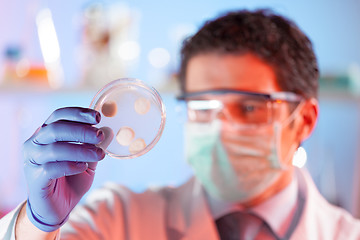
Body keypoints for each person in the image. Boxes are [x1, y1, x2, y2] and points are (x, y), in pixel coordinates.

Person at [1, 8, 360, 240]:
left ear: (304, 120)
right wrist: (38, 225)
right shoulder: (117, 218)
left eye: (250, 108)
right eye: (203, 107)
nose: (221, 128)